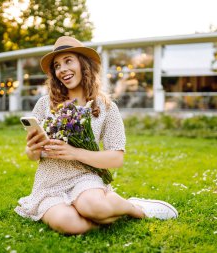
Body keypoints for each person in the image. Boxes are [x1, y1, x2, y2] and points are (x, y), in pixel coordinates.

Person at [14, 36, 178, 235]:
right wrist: (31, 150)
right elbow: (32, 155)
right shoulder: (44, 104)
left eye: (68, 61)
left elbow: (116, 158)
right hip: (50, 183)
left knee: (95, 208)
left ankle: (136, 209)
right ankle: (105, 210)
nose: (62, 69)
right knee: (70, 224)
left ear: (84, 66)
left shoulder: (107, 107)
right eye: (57, 66)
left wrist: (73, 152)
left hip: (85, 178)